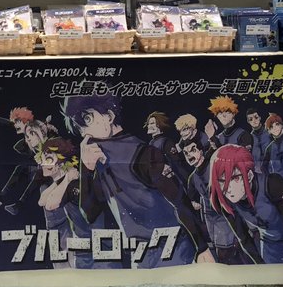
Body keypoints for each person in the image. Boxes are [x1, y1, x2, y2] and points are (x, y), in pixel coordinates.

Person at [62, 92, 214, 268]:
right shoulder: (99, 160)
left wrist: (201, 247)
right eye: (78, 128)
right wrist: (86, 169)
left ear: (109, 116)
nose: (84, 132)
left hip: (174, 249)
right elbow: (90, 213)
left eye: (87, 119)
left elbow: (180, 201)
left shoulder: (143, 153)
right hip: (141, 255)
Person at [209, 144, 283, 263]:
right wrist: (259, 264)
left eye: (234, 178)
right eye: (221, 181)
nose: (227, 188)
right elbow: (243, 238)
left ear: (249, 175)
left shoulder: (271, 184)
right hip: (269, 248)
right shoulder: (227, 202)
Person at [35, 137, 117, 269]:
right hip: (83, 249)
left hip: (98, 248)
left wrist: (67, 179)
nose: (43, 164)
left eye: (48, 159)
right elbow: (42, 201)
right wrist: (63, 179)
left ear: (61, 163)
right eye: (43, 159)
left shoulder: (73, 182)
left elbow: (50, 205)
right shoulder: (64, 180)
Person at [183, 139, 251, 264]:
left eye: (193, 150)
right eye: (186, 153)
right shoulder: (192, 178)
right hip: (210, 217)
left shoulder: (214, 166)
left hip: (226, 210)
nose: (189, 155)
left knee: (235, 246)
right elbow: (190, 198)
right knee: (221, 250)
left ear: (201, 151)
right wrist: (194, 203)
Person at [144, 111, 187, 184]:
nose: (149, 126)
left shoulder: (165, 142)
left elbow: (176, 164)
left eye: (152, 123)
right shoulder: (151, 143)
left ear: (159, 125)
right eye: (148, 124)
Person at [246, 108, 272, 173]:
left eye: (256, 117)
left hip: (272, 169)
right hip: (258, 171)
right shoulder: (249, 138)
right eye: (251, 119)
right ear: (248, 121)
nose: (254, 120)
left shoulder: (270, 132)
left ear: (260, 118)